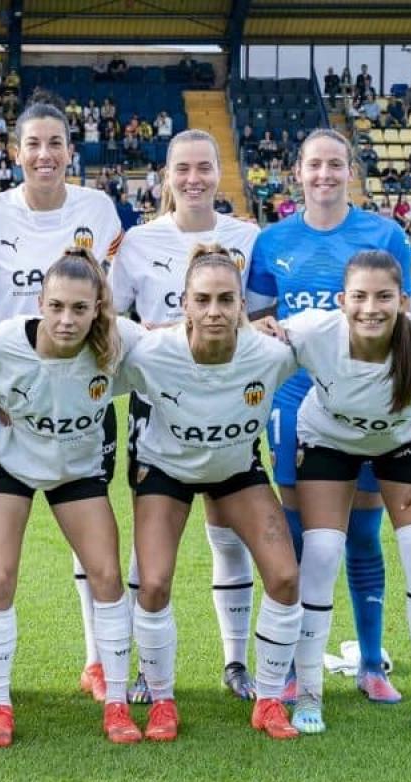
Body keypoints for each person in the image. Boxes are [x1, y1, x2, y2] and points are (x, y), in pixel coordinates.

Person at [255, 250, 411, 739]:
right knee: (324, 551)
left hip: (403, 442)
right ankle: (308, 694)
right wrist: (262, 331)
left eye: (383, 297)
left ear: (403, 301)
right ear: (341, 301)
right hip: (327, 439)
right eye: (359, 296)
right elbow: (262, 350)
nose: (370, 308)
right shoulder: (314, 331)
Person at [247, 129, 411, 705]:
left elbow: (404, 324)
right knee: (299, 539)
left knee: (364, 534)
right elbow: (259, 326)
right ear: (297, 171)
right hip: (294, 407)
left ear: (350, 171)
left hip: (366, 407)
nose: (324, 174)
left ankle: (371, 662)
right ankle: (296, 666)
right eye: (314, 164)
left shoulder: (385, 235)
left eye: (335, 165)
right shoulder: (271, 242)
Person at [0, 93, 124, 704]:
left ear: (70, 150)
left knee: (93, 550)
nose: (44, 154)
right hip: (12, 402)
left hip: (82, 400)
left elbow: (111, 297)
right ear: (16, 153)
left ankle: (95, 661)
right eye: (32, 144)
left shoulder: (99, 209)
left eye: (54, 143)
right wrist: (4, 358)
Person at [119, 244, 302, 741]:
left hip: (235, 468)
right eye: (204, 300)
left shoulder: (272, 353)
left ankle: (268, 700)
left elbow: (336, 342)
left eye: (227, 299)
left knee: (286, 577)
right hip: (165, 470)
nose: (215, 311)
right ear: (185, 303)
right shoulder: (151, 353)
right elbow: (82, 370)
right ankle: (161, 701)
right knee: (153, 584)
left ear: (243, 304)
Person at [109, 129, 264, 704]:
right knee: (149, 552)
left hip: (230, 413)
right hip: (159, 412)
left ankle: (235, 660)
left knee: (228, 538)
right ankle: (144, 671)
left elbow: (264, 322)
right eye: (183, 168)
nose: (194, 178)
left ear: (219, 171)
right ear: (166, 175)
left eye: (204, 167)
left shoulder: (248, 237)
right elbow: (112, 319)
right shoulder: (137, 242)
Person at [0, 248, 144, 747]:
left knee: (107, 575)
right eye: (57, 307)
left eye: (80, 309)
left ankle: (115, 703)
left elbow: (177, 351)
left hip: (76, 468)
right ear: (40, 302)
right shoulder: (1, 344)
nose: (67, 320)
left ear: (98, 309)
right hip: (10, 464)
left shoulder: (120, 341)